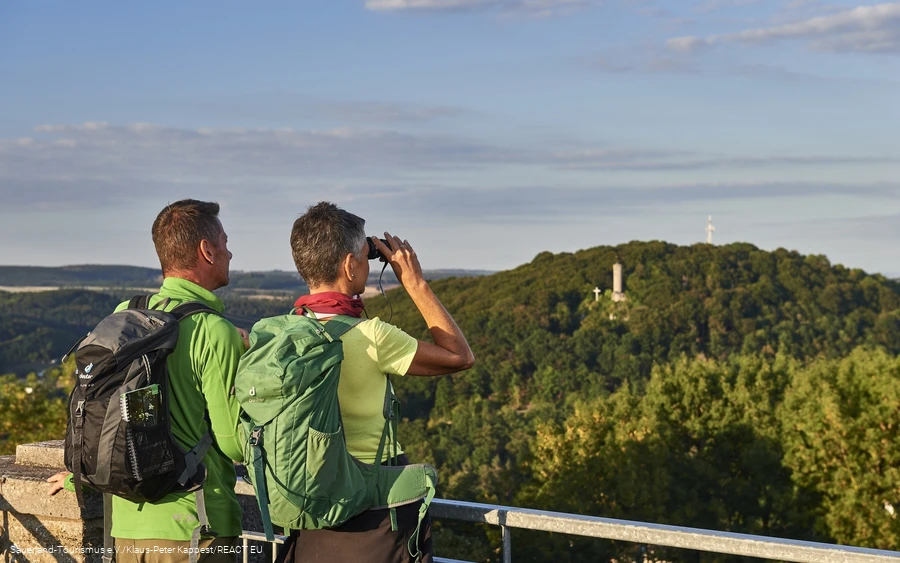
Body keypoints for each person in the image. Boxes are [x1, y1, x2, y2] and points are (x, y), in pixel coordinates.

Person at [49, 199, 248, 562]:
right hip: (197, 529)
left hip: (127, 528)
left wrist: (78, 473)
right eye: (225, 242)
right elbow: (235, 445)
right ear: (206, 250)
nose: (229, 252)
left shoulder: (127, 314)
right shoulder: (215, 331)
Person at [275, 202, 475, 563]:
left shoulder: (285, 333)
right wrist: (414, 282)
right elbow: (459, 356)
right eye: (365, 256)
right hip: (372, 511)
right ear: (350, 265)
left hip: (310, 506)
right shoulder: (372, 336)